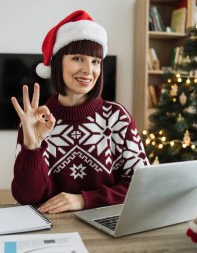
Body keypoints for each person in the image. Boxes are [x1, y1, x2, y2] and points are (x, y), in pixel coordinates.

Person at [11, 10, 149, 214]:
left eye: (95, 61)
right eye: (77, 58)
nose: (88, 70)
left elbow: (143, 186)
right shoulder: (35, 120)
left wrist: (84, 200)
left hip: (110, 226)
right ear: (58, 63)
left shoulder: (117, 118)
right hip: (55, 230)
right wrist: (32, 147)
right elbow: (27, 198)